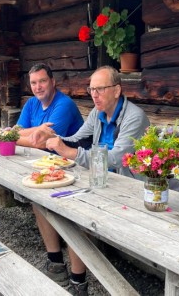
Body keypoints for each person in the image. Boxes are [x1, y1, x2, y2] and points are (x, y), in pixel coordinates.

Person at [38, 66, 150, 294]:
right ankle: (58, 264)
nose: (94, 94)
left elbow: (118, 158)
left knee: (74, 211)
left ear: (117, 90)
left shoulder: (134, 117)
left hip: (132, 189)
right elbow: (77, 139)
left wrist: (69, 153)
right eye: (91, 89)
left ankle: (78, 283)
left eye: (100, 89)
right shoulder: (96, 114)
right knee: (40, 198)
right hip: (101, 181)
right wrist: (54, 138)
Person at [16, 63, 84, 148]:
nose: (38, 87)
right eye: (33, 83)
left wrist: (10, 138)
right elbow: (17, 130)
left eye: (42, 81)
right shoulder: (31, 103)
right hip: (42, 158)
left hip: (69, 159)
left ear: (53, 82)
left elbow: (42, 142)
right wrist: (39, 129)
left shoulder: (64, 104)